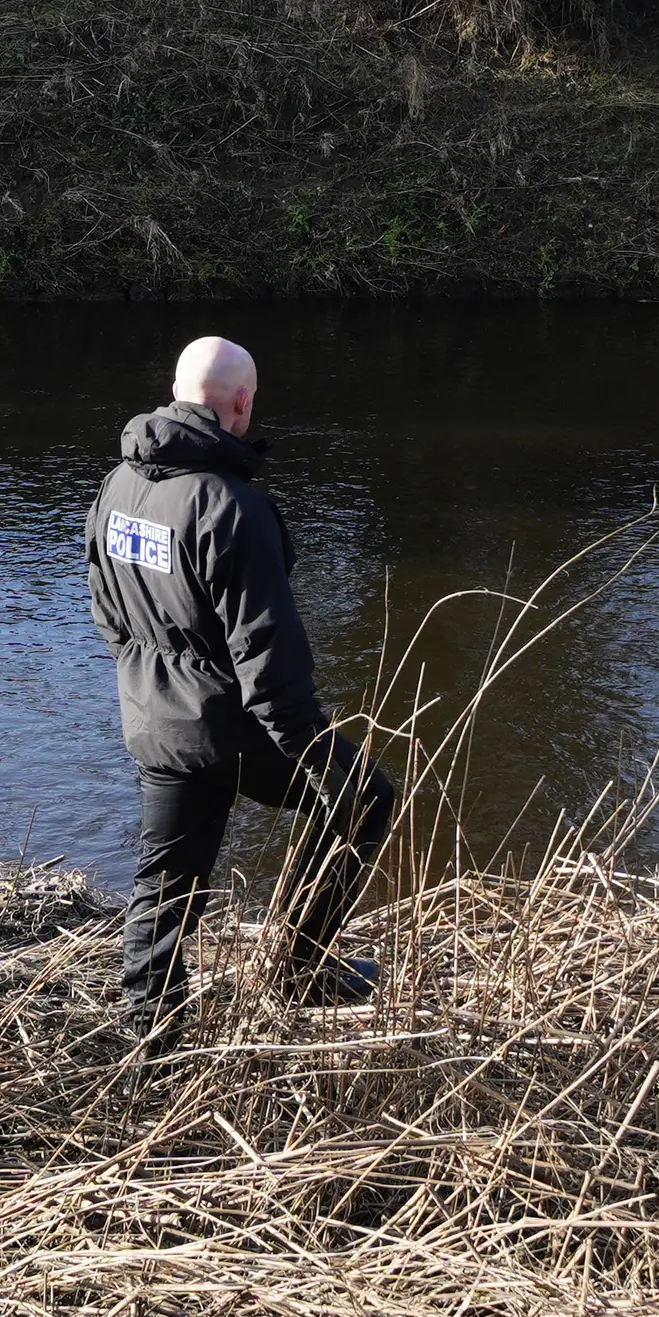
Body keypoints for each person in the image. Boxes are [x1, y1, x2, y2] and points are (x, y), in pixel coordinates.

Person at [83, 334, 398, 1049]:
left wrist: (146, 678)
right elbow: (268, 657)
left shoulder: (117, 485)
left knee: (166, 881)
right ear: (241, 402)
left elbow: (103, 604)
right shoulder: (232, 506)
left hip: (155, 718)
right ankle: (302, 970)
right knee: (366, 798)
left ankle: (148, 1037)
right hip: (231, 725)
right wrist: (313, 752)